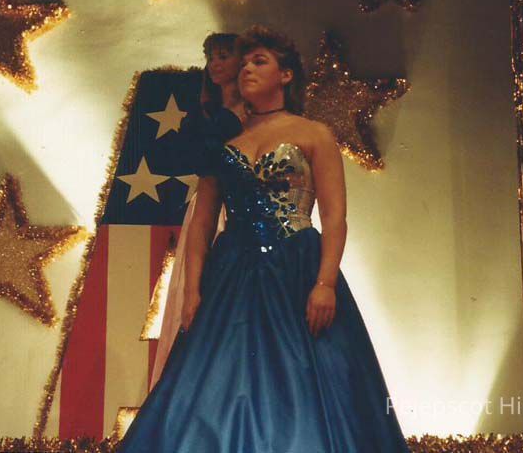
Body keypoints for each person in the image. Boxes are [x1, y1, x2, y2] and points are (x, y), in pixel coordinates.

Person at [118, 26, 411, 452]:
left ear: (286, 75)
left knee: (309, 381)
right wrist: (192, 291)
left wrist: (325, 283)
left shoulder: (314, 134)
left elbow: (334, 217)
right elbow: (202, 224)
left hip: (296, 269)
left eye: (259, 62)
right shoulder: (222, 142)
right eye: (242, 66)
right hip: (231, 274)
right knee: (212, 385)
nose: (246, 71)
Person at [150, 32, 247, 390]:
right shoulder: (204, 115)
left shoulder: (253, 116)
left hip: (240, 210)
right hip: (209, 203)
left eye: (224, 56)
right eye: (211, 57)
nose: (216, 64)